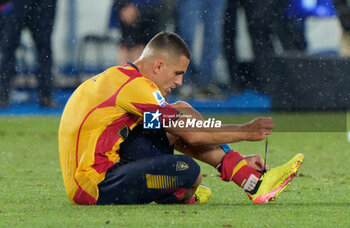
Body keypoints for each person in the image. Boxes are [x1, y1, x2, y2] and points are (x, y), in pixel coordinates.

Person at [59, 32, 304, 205]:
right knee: (189, 173)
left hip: (98, 172)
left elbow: (184, 125)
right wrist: (245, 131)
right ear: (158, 66)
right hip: (95, 188)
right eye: (177, 73)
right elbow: (193, 134)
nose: (179, 82)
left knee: (182, 111)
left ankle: (249, 179)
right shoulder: (138, 88)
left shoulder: (121, 78)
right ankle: (180, 192)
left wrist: (234, 155)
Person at [0, 0, 57, 108]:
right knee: (9, 46)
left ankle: (46, 96)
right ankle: (2, 95)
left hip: (43, 3)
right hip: (18, 3)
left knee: (44, 47)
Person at [112, 0, 163, 65]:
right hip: (128, 9)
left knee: (138, 45)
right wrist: (124, 6)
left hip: (149, 12)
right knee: (128, 44)